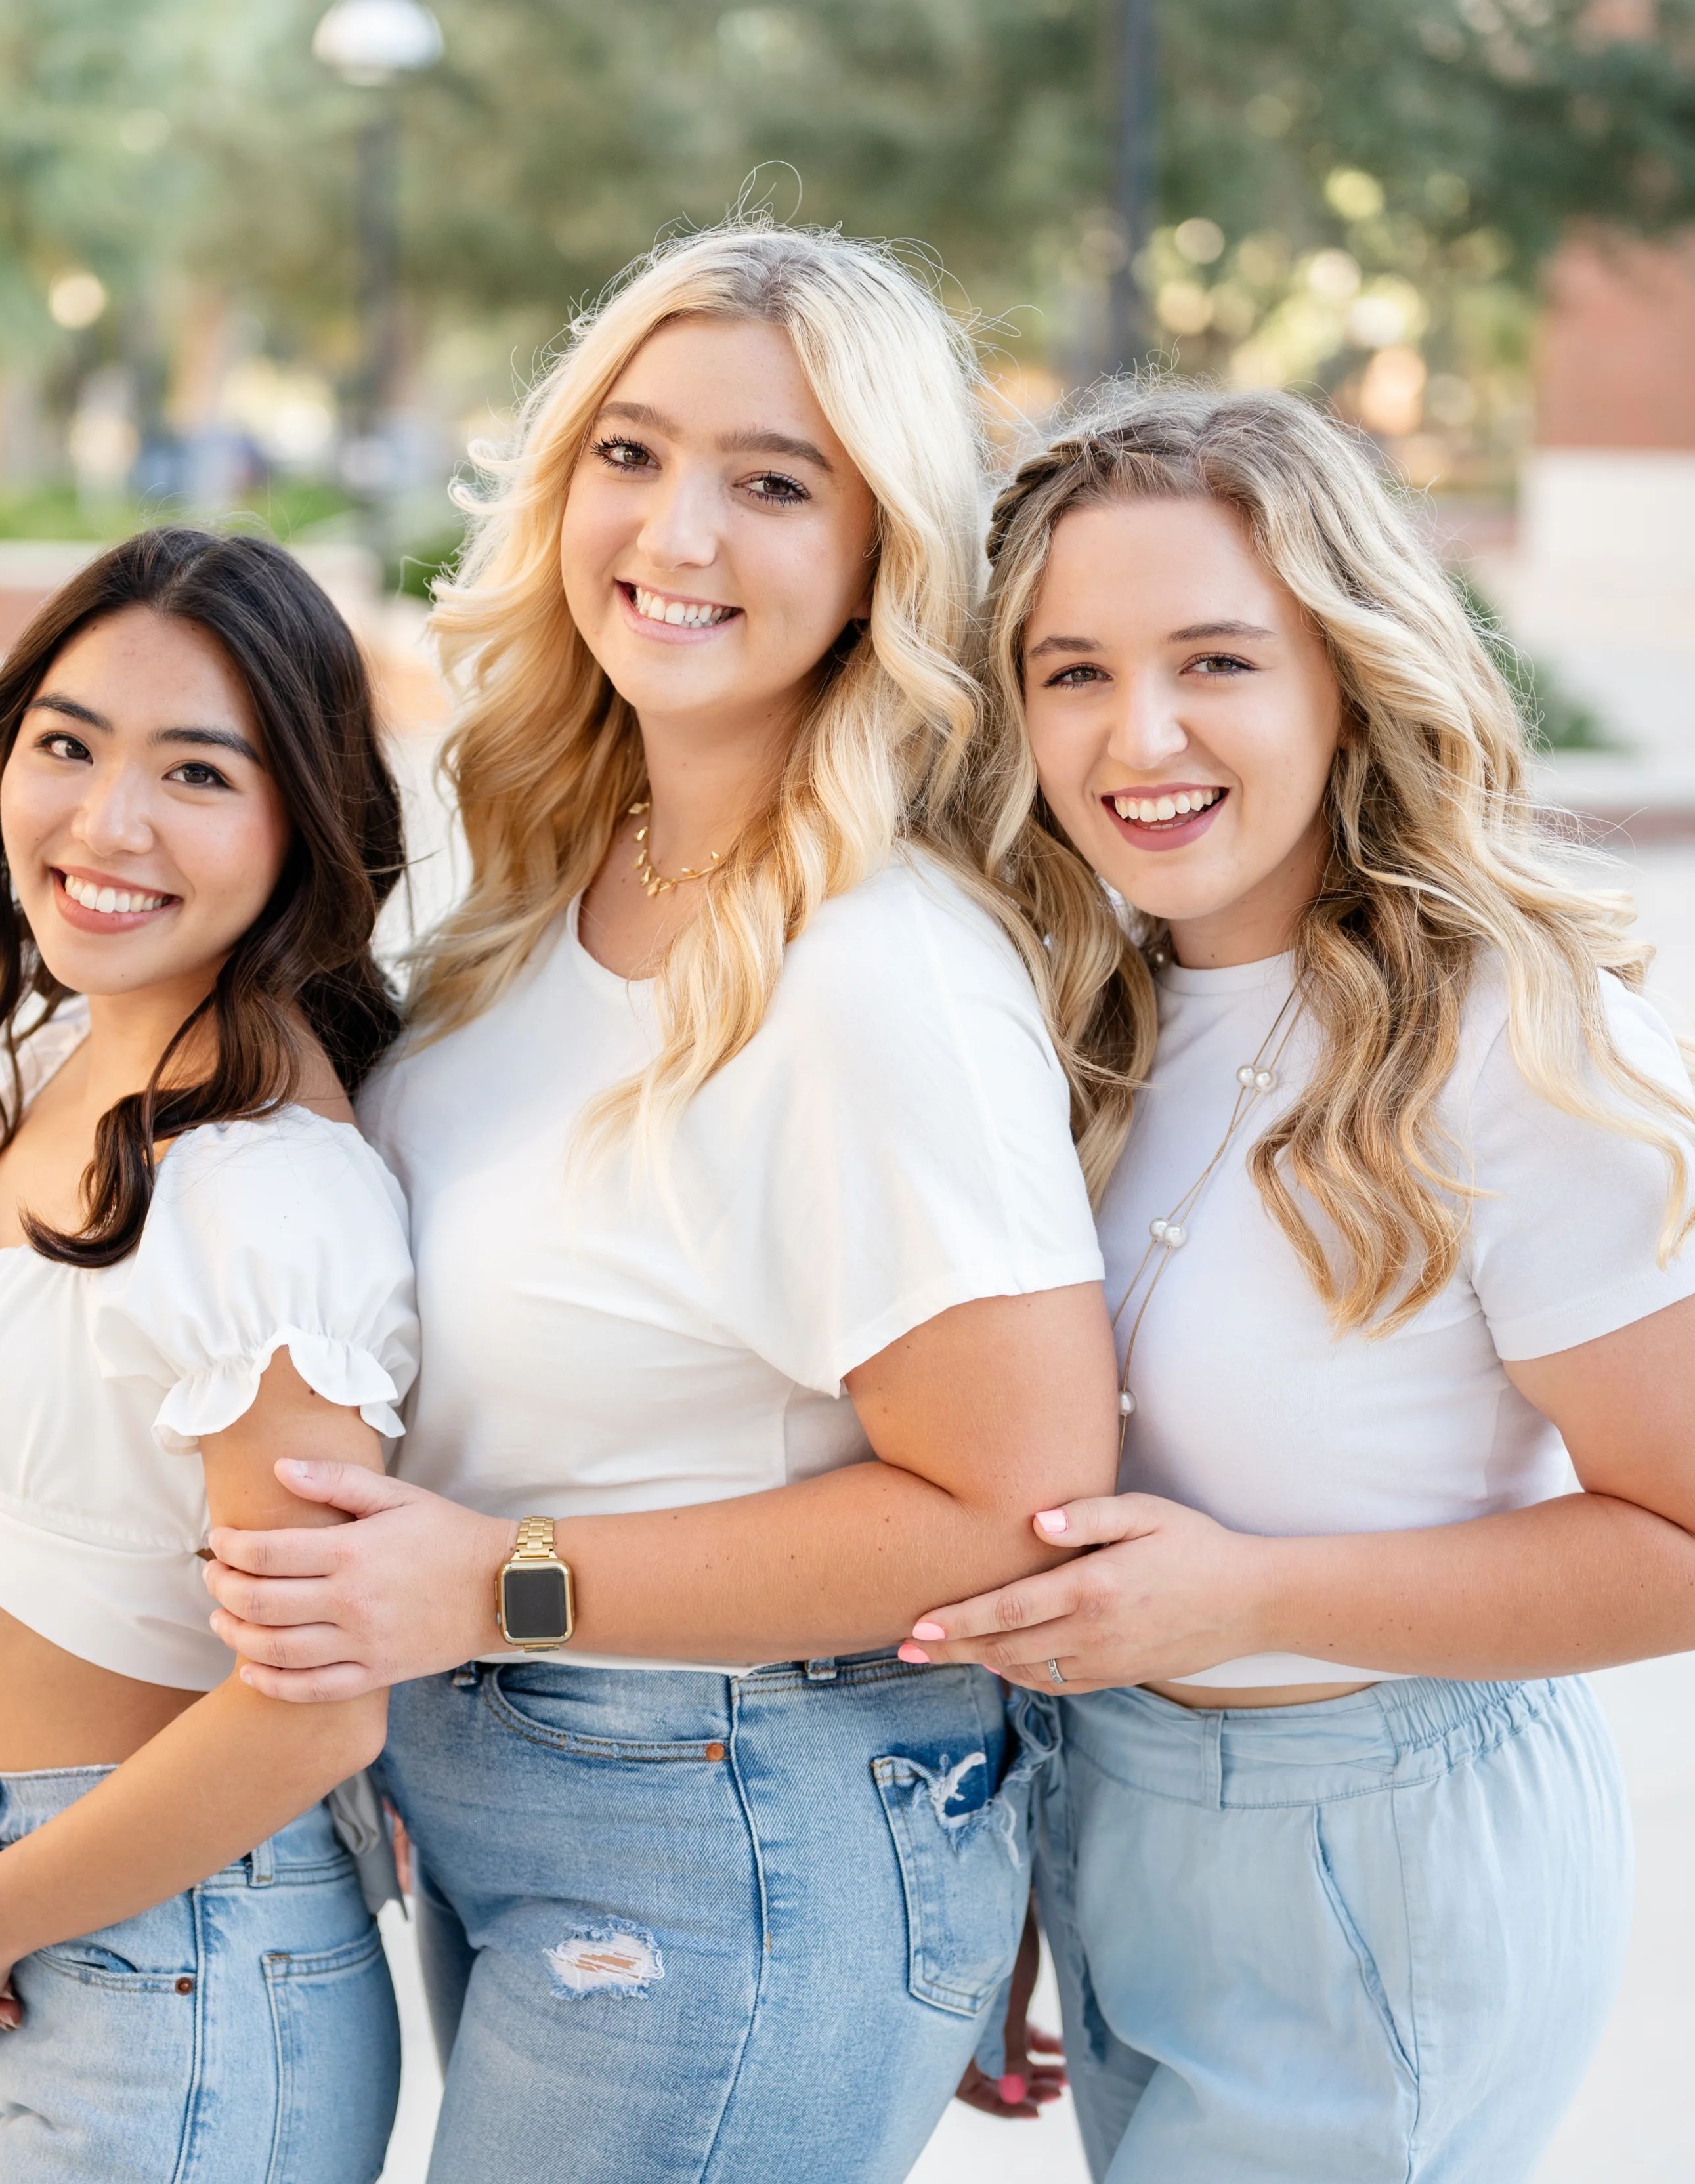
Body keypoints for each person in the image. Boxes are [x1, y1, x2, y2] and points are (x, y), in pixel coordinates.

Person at [192, 222, 1131, 2183]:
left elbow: (1007, 1510)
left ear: (887, 555)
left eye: (773, 483)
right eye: (631, 452)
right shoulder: (555, 869)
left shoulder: (880, 978)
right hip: (524, 1777)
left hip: (727, 1822)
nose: (676, 531)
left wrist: (496, 1581)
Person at [904, 385, 1695, 2183]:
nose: (1134, 732)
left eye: (1216, 661)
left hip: (1376, 1856)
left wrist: (1244, 1599)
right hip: (1124, 1811)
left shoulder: (1528, 1048)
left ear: (1347, 673)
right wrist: (1025, 1856)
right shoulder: (1074, 1018)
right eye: (1070, 670)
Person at [0, 528, 418, 2182]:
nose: (106, 823)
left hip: (177, 1949)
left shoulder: (264, 1188)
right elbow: (54, 1517)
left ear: (302, 817)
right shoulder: (82, 1051)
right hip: (58, 1893)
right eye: (69, 745)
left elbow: (315, 1709)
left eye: (195, 772)